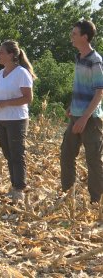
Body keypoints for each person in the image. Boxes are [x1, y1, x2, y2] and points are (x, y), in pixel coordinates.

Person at [60, 20, 103, 204]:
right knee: (66, 155)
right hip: (76, 116)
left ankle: (96, 202)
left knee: (93, 160)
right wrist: (72, 106)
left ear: (85, 37)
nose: (72, 37)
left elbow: (99, 92)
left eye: (74, 34)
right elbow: (81, 87)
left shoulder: (96, 61)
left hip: (90, 119)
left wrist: (84, 118)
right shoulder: (79, 57)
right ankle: (69, 197)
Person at [0, 40, 36, 203]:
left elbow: (28, 98)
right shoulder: (1, 73)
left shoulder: (21, 73)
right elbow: (1, 94)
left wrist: (4, 103)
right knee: (8, 153)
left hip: (16, 119)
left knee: (17, 154)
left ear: (11, 55)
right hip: (0, 119)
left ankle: (20, 188)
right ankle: (14, 185)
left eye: (1, 51)